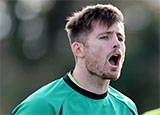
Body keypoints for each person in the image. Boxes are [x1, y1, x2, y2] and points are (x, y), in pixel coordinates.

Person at [12, 4, 138, 115]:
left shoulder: (127, 108)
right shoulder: (41, 107)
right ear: (78, 49)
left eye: (120, 38)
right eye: (105, 37)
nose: (117, 44)